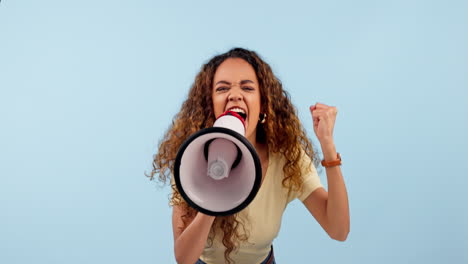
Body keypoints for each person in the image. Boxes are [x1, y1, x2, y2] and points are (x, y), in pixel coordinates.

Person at [148, 48, 350, 264]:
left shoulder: (287, 157)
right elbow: (184, 258)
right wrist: (212, 199)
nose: (235, 95)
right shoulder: (192, 157)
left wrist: (328, 146)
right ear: (210, 104)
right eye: (222, 88)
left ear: (263, 104)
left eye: (247, 87)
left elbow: (338, 230)